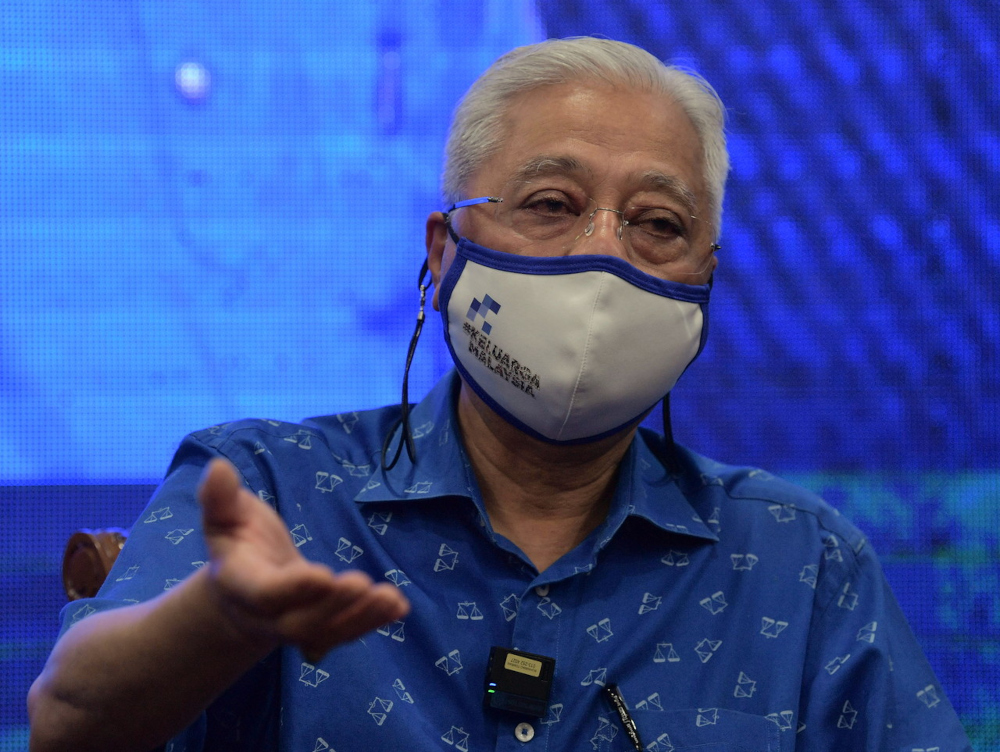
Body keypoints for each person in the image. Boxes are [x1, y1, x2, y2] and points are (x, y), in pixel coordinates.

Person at [29, 37, 970, 751]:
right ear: (444, 255)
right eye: (552, 204)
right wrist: (223, 620)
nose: (605, 252)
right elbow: (68, 722)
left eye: (658, 223)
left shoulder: (801, 562)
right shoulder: (270, 483)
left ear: (705, 282)